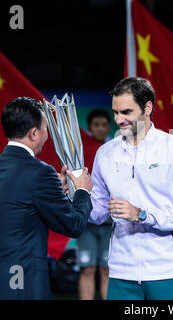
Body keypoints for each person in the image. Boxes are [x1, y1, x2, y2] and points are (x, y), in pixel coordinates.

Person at [0, 97, 93, 300]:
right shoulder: (40, 173)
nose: (48, 134)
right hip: (18, 283)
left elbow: (21, 208)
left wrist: (54, 189)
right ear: (34, 133)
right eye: (45, 128)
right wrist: (82, 191)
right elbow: (74, 225)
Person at [88, 77, 173, 300]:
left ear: (147, 107)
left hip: (168, 272)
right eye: (116, 112)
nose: (119, 120)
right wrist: (76, 194)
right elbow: (98, 213)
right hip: (121, 273)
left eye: (126, 112)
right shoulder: (105, 153)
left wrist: (141, 214)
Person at [78, 108, 112, 300]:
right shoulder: (80, 151)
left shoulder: (116, 149)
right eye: (96, 125)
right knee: (87, 268)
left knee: (107, 269)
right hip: (87, 220)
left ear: (109, 127)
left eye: (104, 125)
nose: (100, 128)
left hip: (111, 220)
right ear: (90, 127)